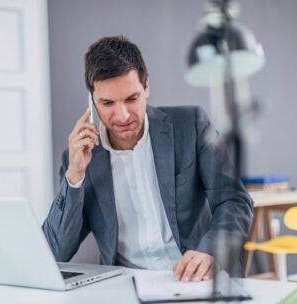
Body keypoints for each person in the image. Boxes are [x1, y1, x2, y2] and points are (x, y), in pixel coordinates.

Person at [42, 35, 253, 281]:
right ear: (92, 99)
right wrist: (74, 176)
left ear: (146, 87)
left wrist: (210, 251)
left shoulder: (190, 125)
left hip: (196, 278)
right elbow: (55, 251)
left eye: (131, 99)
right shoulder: (79, 158)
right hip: (125, 286)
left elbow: (234, 200)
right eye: (107, 103)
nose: (122, 116)